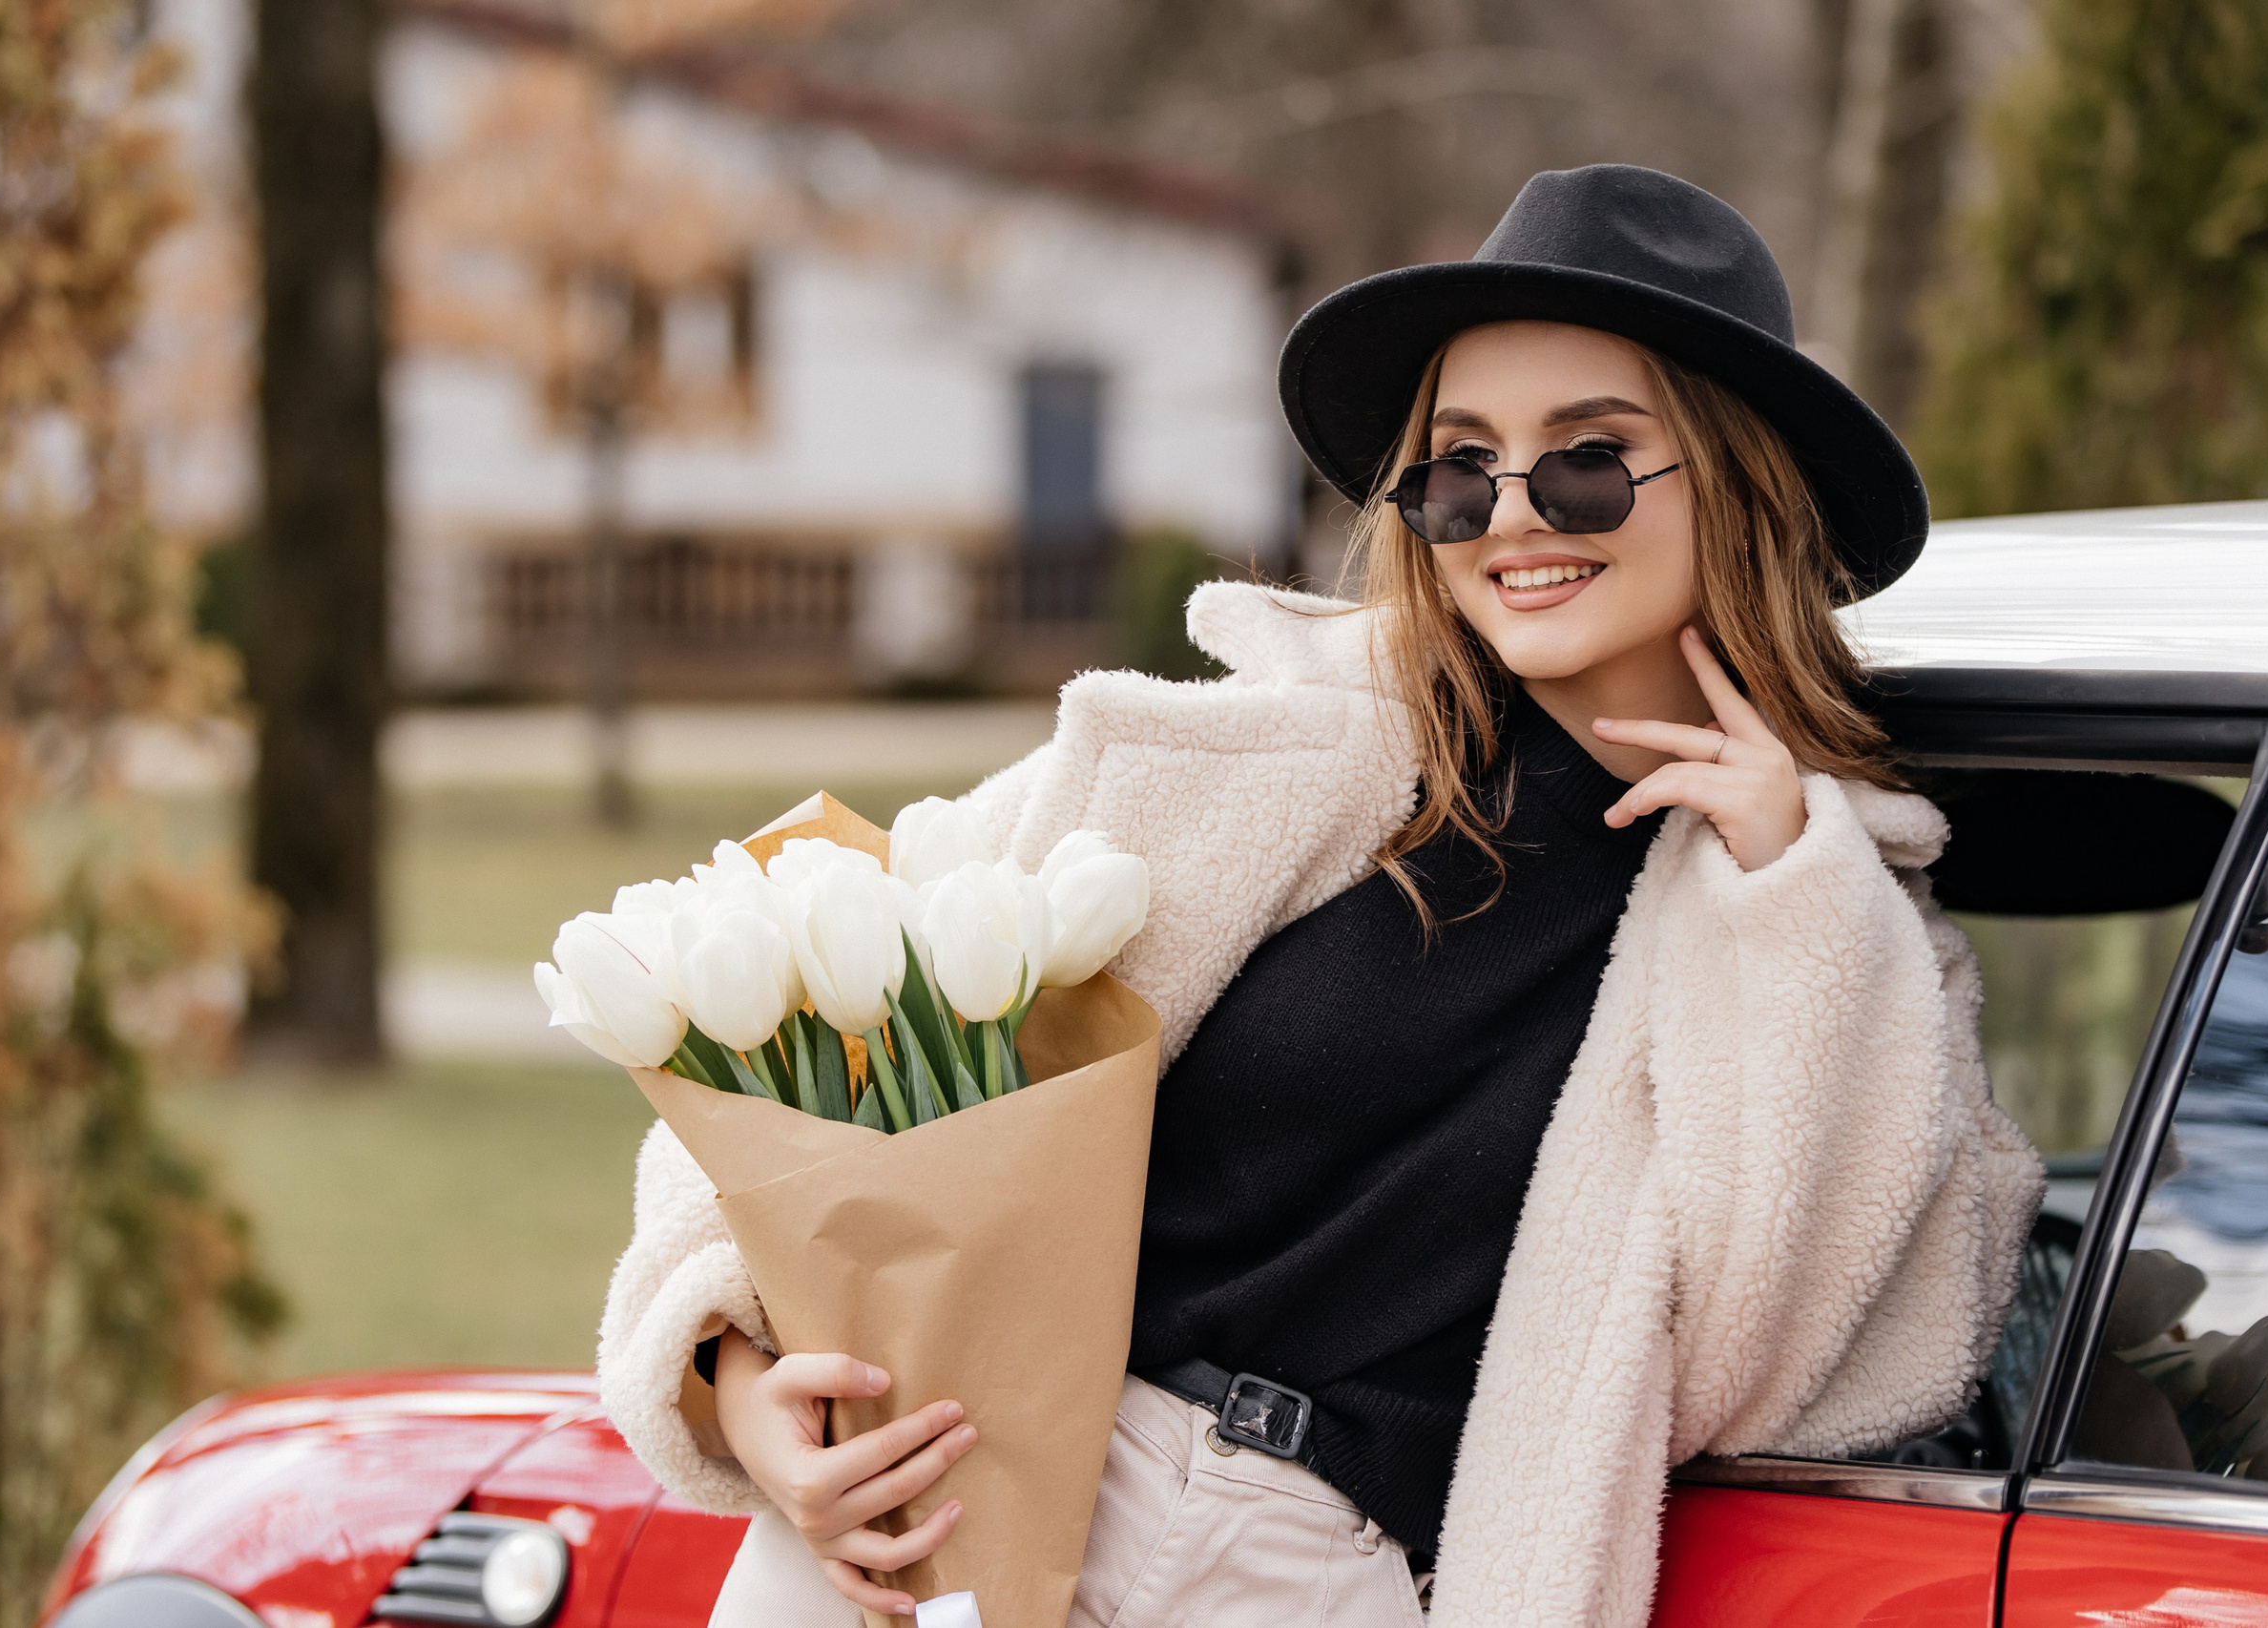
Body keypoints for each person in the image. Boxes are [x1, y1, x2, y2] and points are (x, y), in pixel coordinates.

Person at [597, 165, 2043, 1628]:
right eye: (1461, 468)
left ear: (1739, 482)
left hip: (1306, 1577)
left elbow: (1803, 1357)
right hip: (936, 1503)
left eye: (1589, 459)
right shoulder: (1259, 759)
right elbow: (797, 1001)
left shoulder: (1836, 928)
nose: (1514, 517)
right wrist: (734, 1374)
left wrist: (1788, 894)